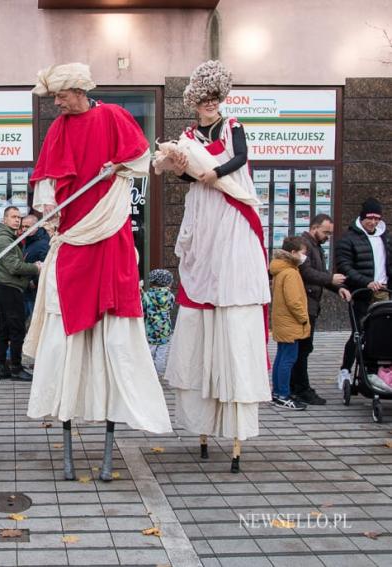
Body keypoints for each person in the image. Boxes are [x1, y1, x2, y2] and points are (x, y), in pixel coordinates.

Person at [26, 62, 172, 482]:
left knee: (112, 329)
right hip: (73, 236)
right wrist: (48, 208)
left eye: (61, 95)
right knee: (65, 327)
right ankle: (68, 419)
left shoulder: (112, 116)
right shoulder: (58, 129)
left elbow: (141, 158)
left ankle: (112, 428)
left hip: (108, 233)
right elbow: (48, 182)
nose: (56, 103)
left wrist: (119, 167)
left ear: (79, 90)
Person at [163, 60, 270, 473]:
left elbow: (240, 158)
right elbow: (188, 178)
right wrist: (181, 168)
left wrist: (214, 171)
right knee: (200, 283)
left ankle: (235, 424)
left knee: (231, 289)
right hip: (204, 210)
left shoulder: (232, 125)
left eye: (212, 102)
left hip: (229, 204)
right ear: (195, 104)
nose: (207, 108)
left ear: (219, 101)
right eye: (201, 103)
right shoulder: (189, 135)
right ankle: (201, 425)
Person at [292, 214, 351, 405]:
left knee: (304, 348)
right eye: (325, 232)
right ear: (314, 227)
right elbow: (306, 272)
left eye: (330, 233)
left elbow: (322, 274)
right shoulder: (303, 244)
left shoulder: (315, 246)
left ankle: (299, 386)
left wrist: (338, 287)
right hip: (304, 304)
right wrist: (330, 280)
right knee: (302, 348)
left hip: (311, 305)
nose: (328, 237)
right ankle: (300, 388)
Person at [335, 197, 392, 391]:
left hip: (383, 292)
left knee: (382, 334)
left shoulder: (385, 237)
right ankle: (345, 369)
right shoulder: (349, 239)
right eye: (370, 218)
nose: (374, 222)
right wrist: (365, 282)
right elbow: (345, 266)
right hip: (362, 293)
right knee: (359, 333)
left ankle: (375, 370)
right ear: (362, 217)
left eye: (377, 219)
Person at [0, 206, 41, 380]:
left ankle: (2, 366)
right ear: (4, 220)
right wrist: (35, 268)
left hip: (7, 289)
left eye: (19, 217)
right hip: (10, 289)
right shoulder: (5, 239)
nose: (17, 220)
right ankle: (16, 368)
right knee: (17, 329)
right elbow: (14, 266)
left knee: (5, 330)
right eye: (13, 217)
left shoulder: (8, 237)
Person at [270, 236, 311, 410]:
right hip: (291, 322)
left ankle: (278, 391)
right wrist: (304, 317)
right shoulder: (291, 273)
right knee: (288, 358)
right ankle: (282, 394)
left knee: (282, 356)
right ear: (293, 253)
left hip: (282, 320)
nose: (304, 256)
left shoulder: (280, 270)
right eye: (303, 253)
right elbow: (294, 301)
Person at [142, 269, 175, 377]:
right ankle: (159, 373)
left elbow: (143, 310)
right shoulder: (170, 296)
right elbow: (170, 308)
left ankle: (149, 374)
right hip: (165, 330)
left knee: (149, 353)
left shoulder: (147, 296)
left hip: (150, 330)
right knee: (162, 354)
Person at [21, 214, 50, 320]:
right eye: (22, 226)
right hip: (26, 289)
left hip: (34, 291)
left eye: (27, 227)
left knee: (34, 320)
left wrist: (35, 282)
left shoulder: (42, 244)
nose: (24, 229)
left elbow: (45, 265)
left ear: (36, 226)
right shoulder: (28, 241)